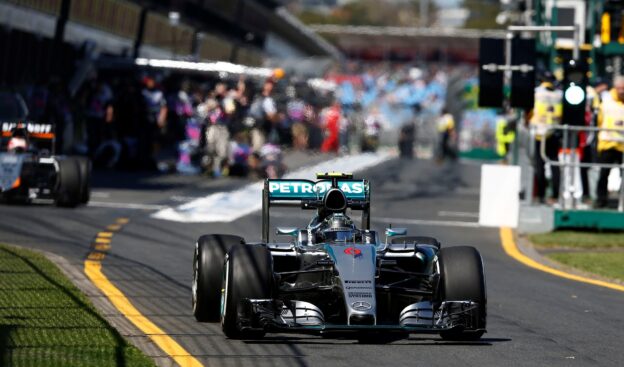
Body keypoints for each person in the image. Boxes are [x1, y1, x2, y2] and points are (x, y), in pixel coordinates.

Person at [529, 73, 562, 204]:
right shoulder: (559, 94)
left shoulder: (536, 93)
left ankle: (540, 195)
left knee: (539, 165)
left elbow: (529, 111)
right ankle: (555, 195)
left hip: (539, 132)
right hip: (554, 131)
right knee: (555, 165)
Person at [595, 76, 624, 208]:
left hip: (622, 145)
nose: (622, 91)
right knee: (603, 174)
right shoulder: (606, 101)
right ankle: (601, 200)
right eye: (620, 88)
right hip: (608, 143)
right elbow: (599, 121)